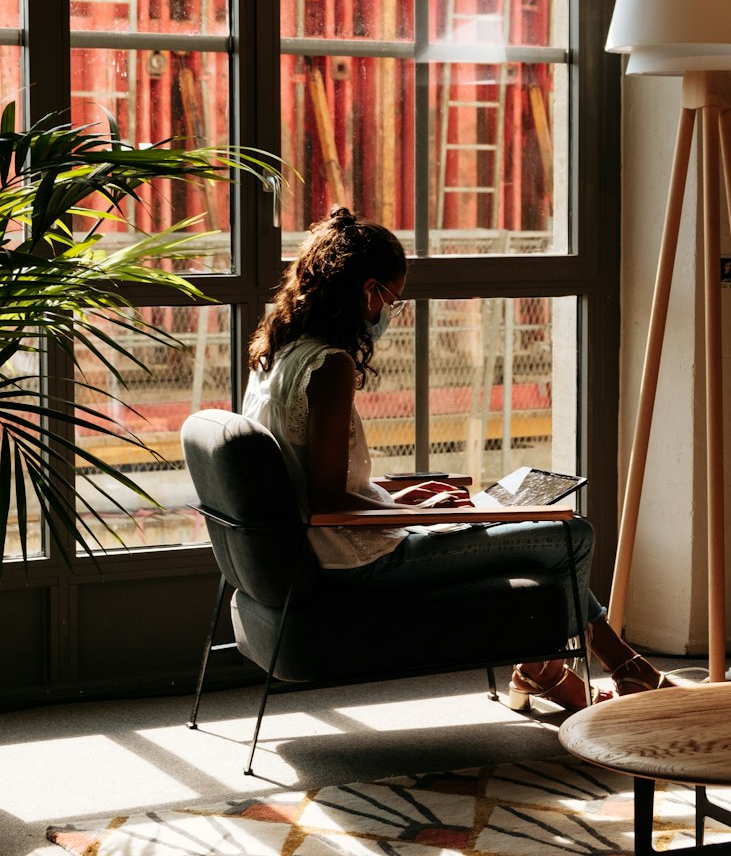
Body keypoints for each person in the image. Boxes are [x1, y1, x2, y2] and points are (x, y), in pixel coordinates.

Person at [242, 207, 671, 711]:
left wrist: (396, 494)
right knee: (571, 536)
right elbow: (327, 498)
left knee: (539, 542)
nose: (388, 317)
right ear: (368, 292)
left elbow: (312, 478)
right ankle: (569, 671)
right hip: (358, 560)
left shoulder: (279, 354)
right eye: (393, 302)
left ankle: (582, 670)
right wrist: (423, 517)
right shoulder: (330, 366)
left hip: (338, 545)